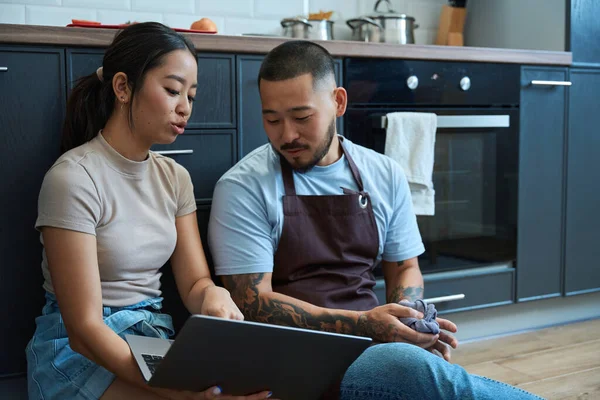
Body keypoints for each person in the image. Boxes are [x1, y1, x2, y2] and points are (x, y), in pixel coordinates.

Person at [207, 40, 543, 400]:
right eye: (272, 119)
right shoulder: (243, 186)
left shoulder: (384, 173)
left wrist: (409, 323)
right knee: (420, 376)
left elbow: (404, 266)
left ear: (338, 102)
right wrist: (368, 326)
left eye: (302, 117)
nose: (286, 135)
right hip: (291, 359)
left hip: (374, 345)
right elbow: (252, 304)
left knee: (422, 375)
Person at [26, 22, 272, 400]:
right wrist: (177, 392)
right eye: (172, 90)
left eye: (190, 95)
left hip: (149, 339)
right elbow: (84, 330)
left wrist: (213, 296)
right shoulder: (73, 179)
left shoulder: (174, 178)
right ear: (123, 87)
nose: (184, 107)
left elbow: (194, 284)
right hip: (79, 350)